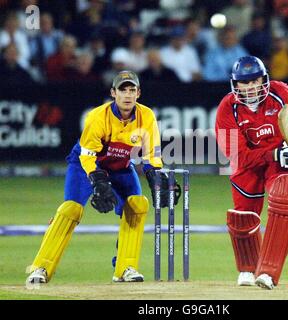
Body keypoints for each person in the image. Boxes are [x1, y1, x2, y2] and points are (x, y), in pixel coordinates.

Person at [26, 70, 181, 284]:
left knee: (137, 205)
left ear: (139, 93)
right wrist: (98, 181)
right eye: (122, 90)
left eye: (131, 90)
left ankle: (125, 267)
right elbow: (88, 156)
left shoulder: (147, 116)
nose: (127, 95)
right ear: (113, 93)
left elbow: (151, 155)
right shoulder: (97, 116)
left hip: (120, 167)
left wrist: (156, 177)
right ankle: (40, 268)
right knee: (71, 209)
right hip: (86, 165)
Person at [215, 56, 288, 290]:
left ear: (264, 80)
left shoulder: (281, 92)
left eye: (255, 81)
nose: (250, 87)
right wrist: (275, 153)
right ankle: (248, 268)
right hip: (248, 163)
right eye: (244, 82)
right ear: (235, 84)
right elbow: (239, 156)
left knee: (285, 197)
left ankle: (269, 272)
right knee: (243, 218)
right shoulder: (227, 109)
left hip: (280, 161)